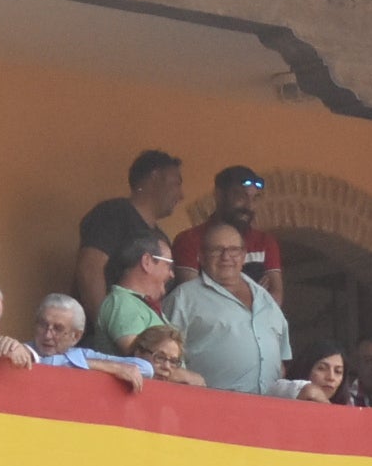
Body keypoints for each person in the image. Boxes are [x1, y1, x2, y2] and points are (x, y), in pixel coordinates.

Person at [167, 223, 294, 395]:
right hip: (208, 409)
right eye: (216, 250)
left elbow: (281, 362)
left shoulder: (266, 299)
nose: (226, 256)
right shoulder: (183, 298)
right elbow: (163, 357)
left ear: (243, 255)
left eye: (233, 250)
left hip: (266, 412)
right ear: (202, 257)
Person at [72, 148, 184, 314]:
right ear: (154, 176)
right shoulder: (112, 213)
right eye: (176, 183)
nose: (181, 195)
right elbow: (89, 269)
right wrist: (106, 326)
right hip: (101, 335)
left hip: (142, 335)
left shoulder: (161, 239)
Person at [171, 165, 286, 297]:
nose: (249, 206)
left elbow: (275, 297)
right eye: (241, 197)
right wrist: (252, 294)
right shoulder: (189, 240)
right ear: (219, 195)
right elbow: (192, 298)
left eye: (254, 198)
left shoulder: (265, 242)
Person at [92, 228, 181, 361]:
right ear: (147, 262)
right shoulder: (123, 303)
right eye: (168, 265)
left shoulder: (137, 303)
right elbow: (147, 361)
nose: (171, 274)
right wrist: (188, 377)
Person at [27, 294, 150, 387]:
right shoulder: (21, 350)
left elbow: (146, 368)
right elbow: (43, 363)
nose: (48, 335)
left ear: (76, 337)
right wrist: (93, 365)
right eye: (43, 325)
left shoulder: (82, 355)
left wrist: (105, 366)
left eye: (58, 329)